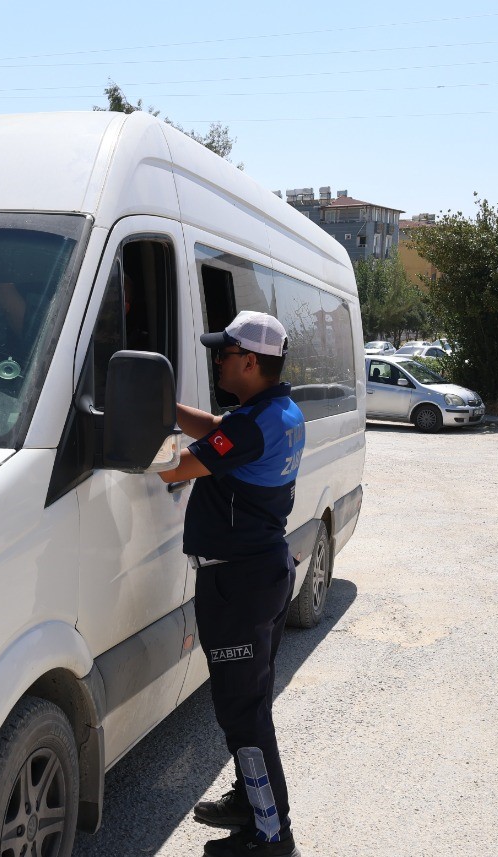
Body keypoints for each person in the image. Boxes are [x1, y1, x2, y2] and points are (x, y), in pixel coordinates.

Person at [158, 310, 306, 857]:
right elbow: (223, 434)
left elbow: (174, 471)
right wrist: (165, 409)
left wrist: (133, 428)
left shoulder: (252, 424)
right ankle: (250, 804)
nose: (216, 359)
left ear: (249, 361)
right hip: (260, 575)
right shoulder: (277, 411)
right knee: (251, 705)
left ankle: (270, 834)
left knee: (242, 712)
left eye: (224, 353)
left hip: (238, 584)